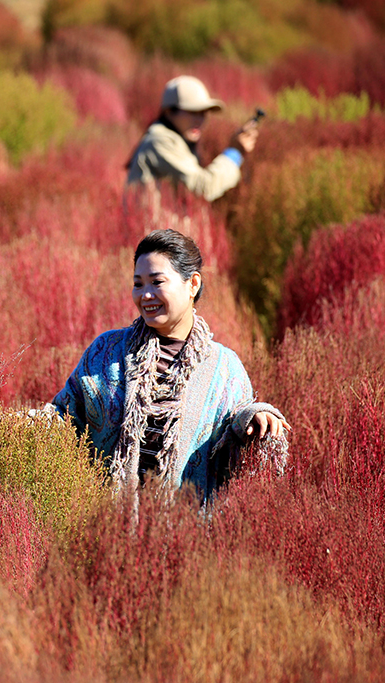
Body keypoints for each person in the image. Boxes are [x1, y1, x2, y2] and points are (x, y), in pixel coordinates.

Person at [50, 230, 289, 504]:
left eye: (157, 282)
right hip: (107, 527)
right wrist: (20, 427)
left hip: (185, 534)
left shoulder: (224, 368)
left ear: (193, 284)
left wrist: (254, 418)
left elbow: (233, 435)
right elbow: (66, 416)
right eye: (138, 284)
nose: (146, 295)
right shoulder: (106, 350)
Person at [125, 75, 259, 202]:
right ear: (169, 112)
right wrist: (234, 153)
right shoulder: (160, 141)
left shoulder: (177, 137)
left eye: (203, 113)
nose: (199, 120)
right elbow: (203, 188)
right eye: (193, 112)